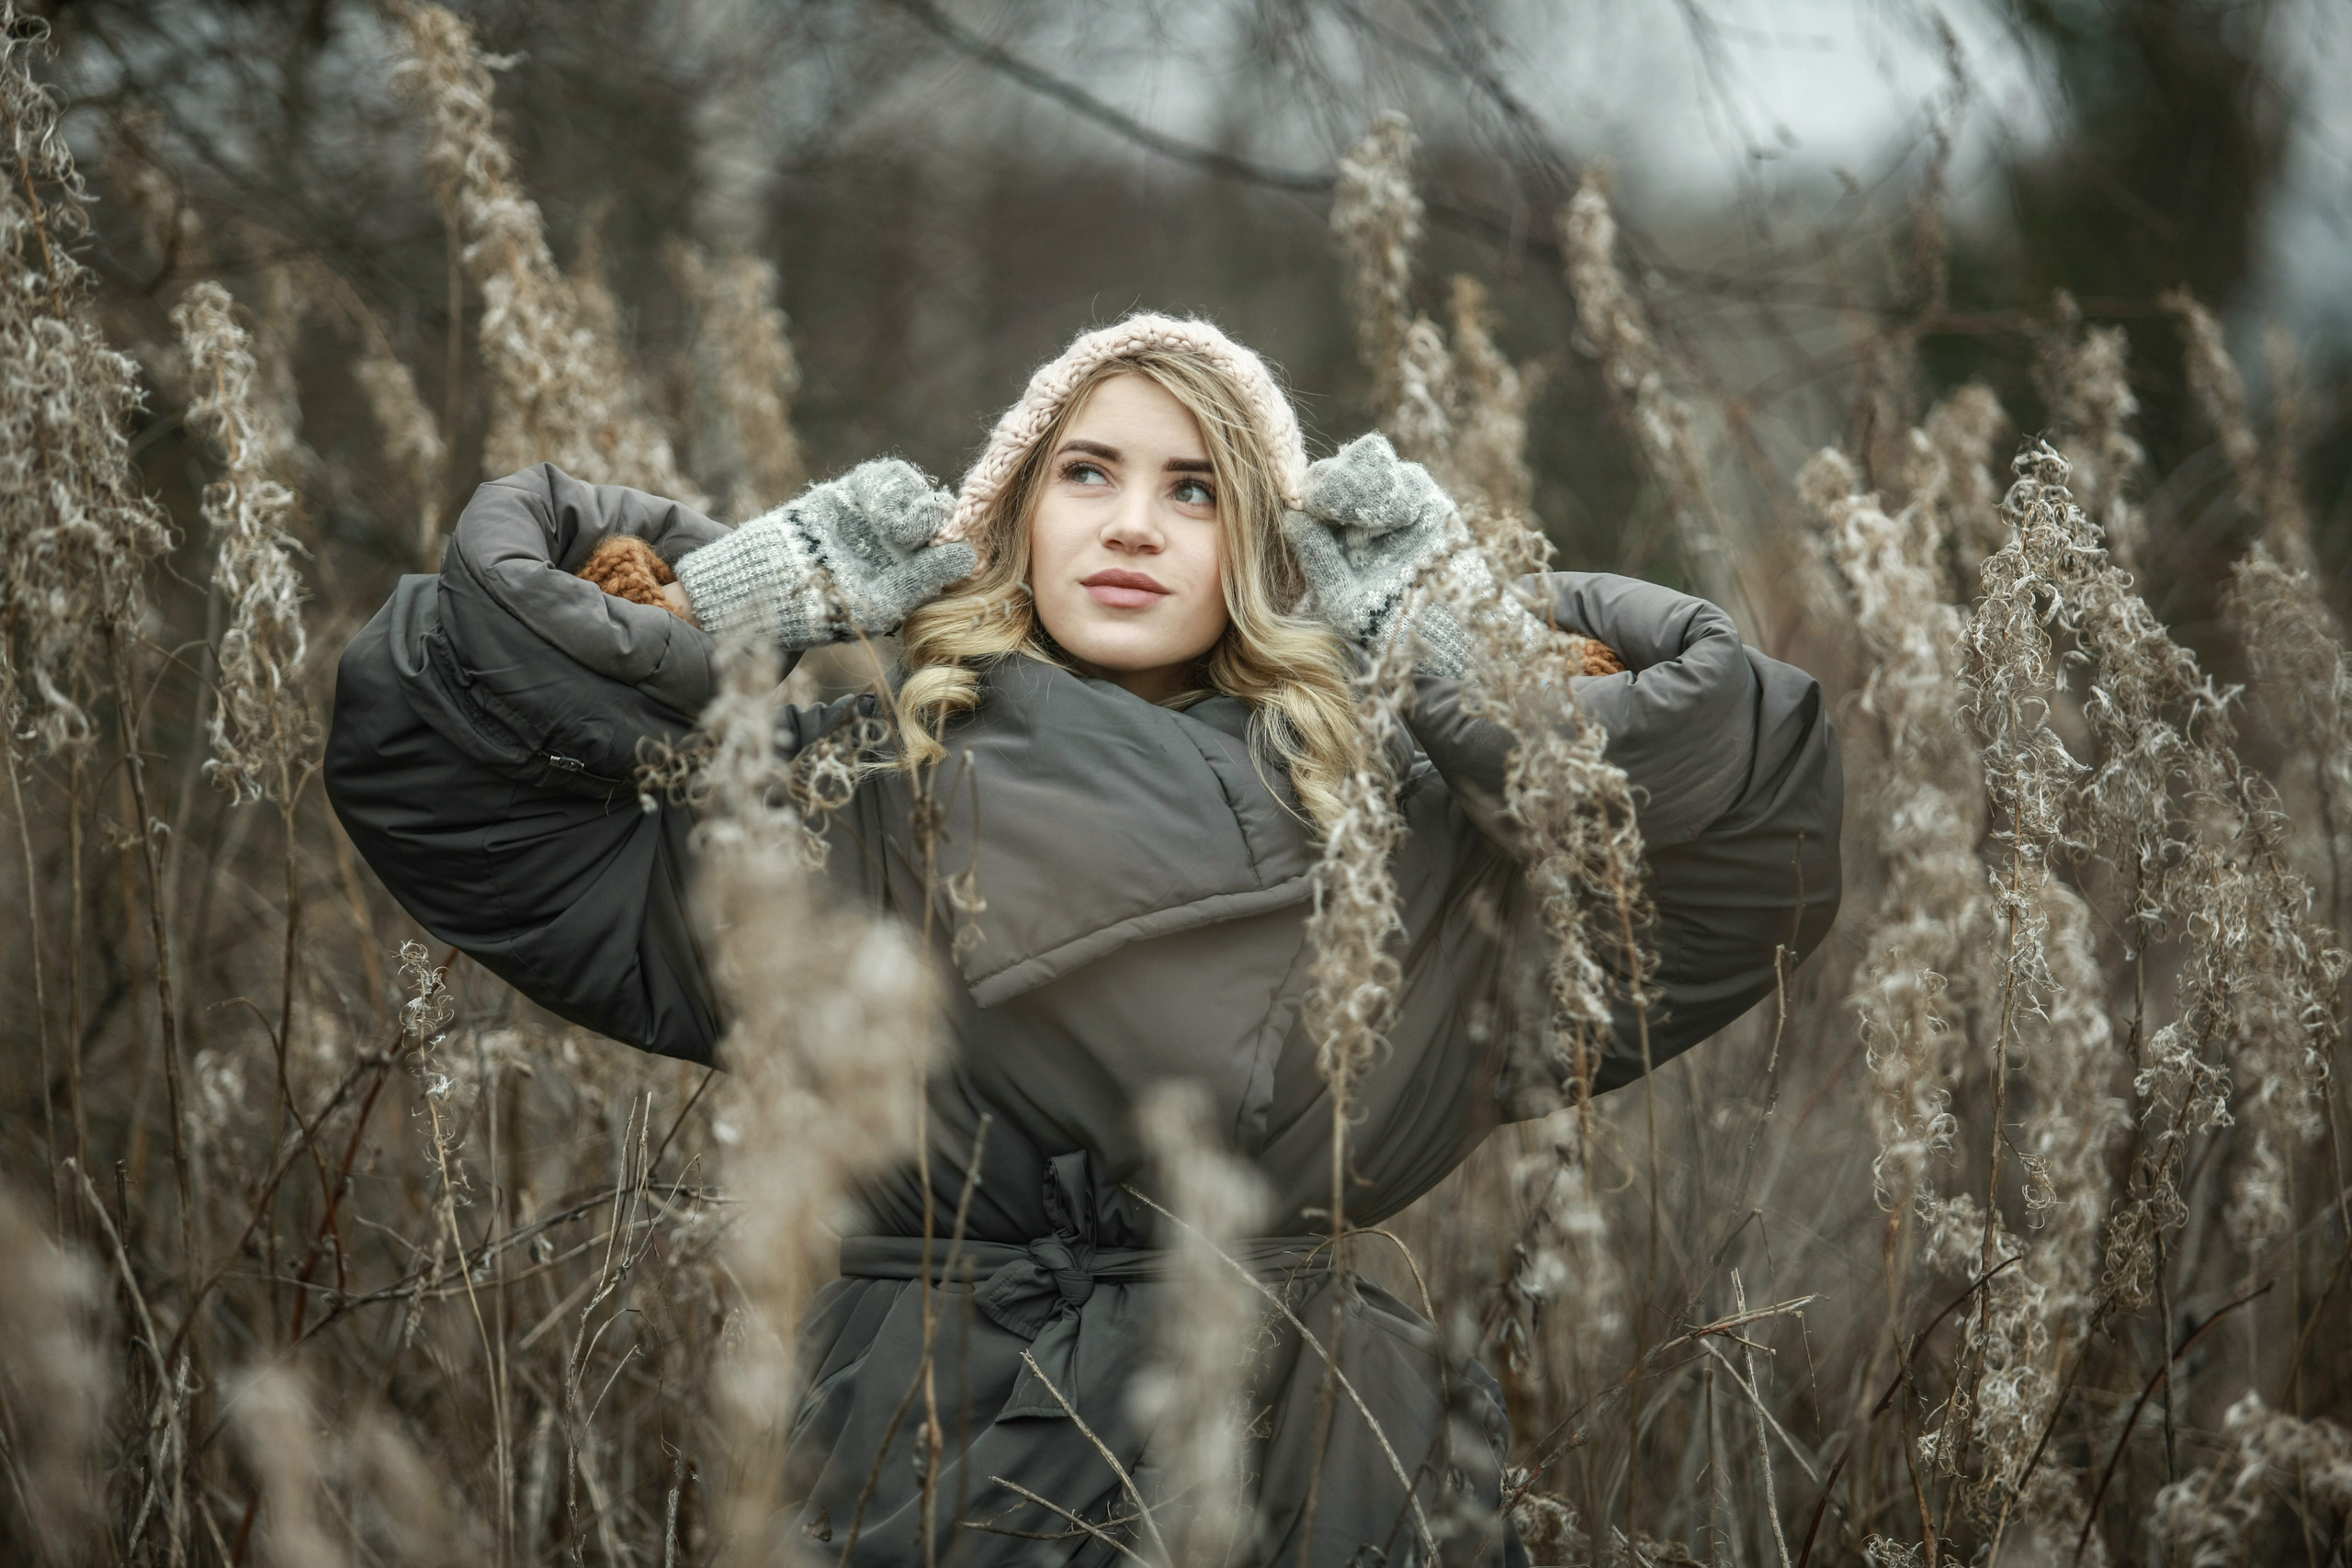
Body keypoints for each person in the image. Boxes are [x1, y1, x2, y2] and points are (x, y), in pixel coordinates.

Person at [326, 312, 1841, 1567]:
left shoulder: (1406, 832)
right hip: (933, 1454)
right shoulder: (856, 792)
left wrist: (1470, 645)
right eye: (1087, 474)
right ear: (1008, 518)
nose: (1132, 523)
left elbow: (1750, 854)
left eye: (1195, 490)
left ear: (1270, 544)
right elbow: (438, 770)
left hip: (1320, 1464)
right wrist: (721, 605)